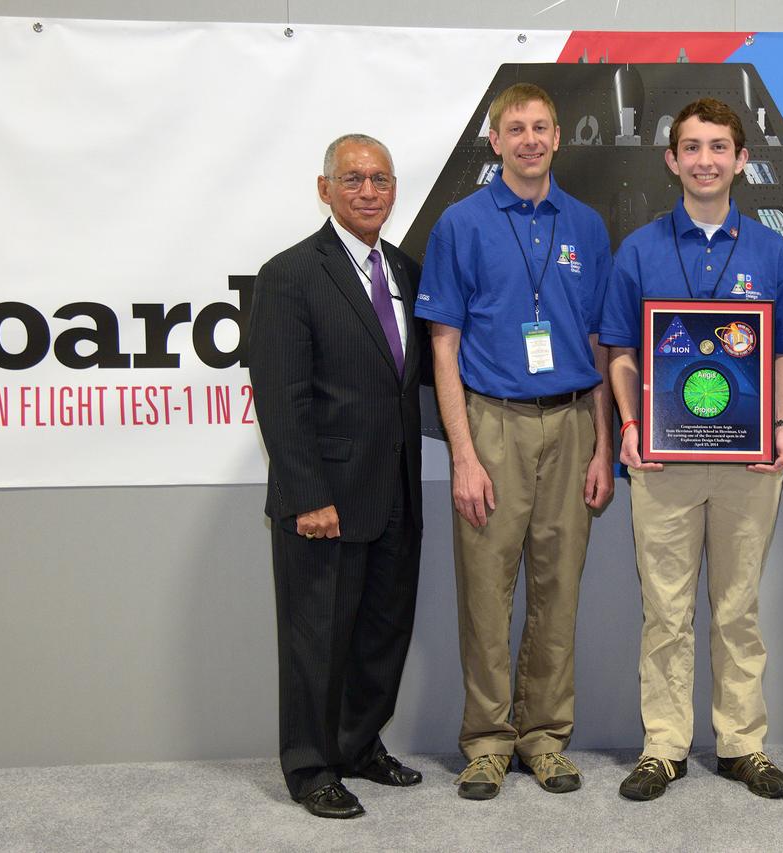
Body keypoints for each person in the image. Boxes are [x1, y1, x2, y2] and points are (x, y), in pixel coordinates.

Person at [602, 98, 783, 801]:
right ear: (671, 160)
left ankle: (741, 743)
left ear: (741, 160)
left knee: (736, 607)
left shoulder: (769, 250)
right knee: (665, 608)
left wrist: (781, 426)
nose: (704, 160)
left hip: (748, 465)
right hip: (662, 462)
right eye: (691, 147)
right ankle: (663, 744)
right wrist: (632, 425)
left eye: (718, 147)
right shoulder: (638, 249)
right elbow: (623, 351)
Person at [414, 83, 614, 800]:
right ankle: (489, 739)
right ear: (494, 141)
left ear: (559, 137)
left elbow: (597, 339)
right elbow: (444, 346)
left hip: (571, 423)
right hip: (490, 421)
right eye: (514, 129)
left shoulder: (587, 226)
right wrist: (462, 455)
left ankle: (544, 736)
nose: (529, 139)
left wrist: (603, 446)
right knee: (486, 591)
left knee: (559, 590)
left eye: (540, 127)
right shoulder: (460, 225)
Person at [249, 133, 428, 819]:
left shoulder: (407, 272)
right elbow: (282, 396)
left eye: (379, 179)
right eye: (352, 179)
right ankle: (310, 765)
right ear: (324, 189)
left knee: (382, 631)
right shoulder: (290, 274)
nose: (367, 191)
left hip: (395, 494)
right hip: (325, 499)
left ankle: (357, 745)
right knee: (316, 640)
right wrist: (307, 495)